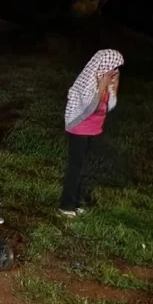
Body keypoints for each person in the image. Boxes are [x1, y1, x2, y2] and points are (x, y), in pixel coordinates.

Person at [60, 49, 123, 217]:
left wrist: (113, 88)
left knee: (84, 167)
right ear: (104, 66)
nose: (116, 72)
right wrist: (101, 87)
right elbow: (89, 106)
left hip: (93, 130)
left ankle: (76, 202)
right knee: (76, 167)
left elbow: (109, 106)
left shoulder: (106, 83)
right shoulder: (87, 83)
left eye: (118, 69)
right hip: (79, 129)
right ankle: (66, 206)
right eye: (114, 68)